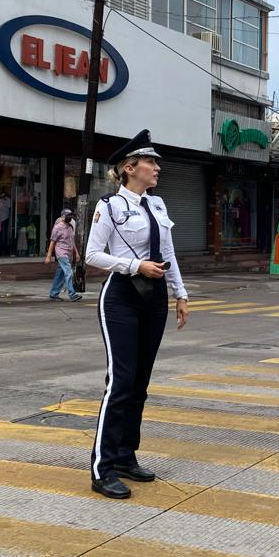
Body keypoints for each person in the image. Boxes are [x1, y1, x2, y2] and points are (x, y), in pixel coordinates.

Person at [85, 129, 189, 499]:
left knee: (140, 383)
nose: (157, 166)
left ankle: (126, 455)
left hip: (154, 297)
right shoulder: (109, 207)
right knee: (121, 381)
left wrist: (180, 293)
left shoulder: (158, 205)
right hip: (121, 298)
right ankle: (102, 467)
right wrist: (134, 266)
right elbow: (92, 256)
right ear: (130, 168)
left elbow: (170, 253)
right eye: (151, 161)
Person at [45, 208, 82, 301]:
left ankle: (53, 294)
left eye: (71, 216)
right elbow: (52, 242)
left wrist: (76, 253)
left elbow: (72, 241)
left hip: (69, 253)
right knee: (68, 272)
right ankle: (72, 294)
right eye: (67, 216)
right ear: (62, 217)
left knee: (60, 274)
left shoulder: (70, 227)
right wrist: (49, 256)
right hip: (61, 253)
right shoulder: (57, 228)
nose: (70, 218)